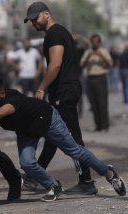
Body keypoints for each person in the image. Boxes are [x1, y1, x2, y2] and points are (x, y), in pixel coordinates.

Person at [0, 75, 126, 201]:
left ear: (2, 93)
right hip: (26, 130)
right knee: (27, 163)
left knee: (75, 151)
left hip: (47, 120)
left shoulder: (12, 100)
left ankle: (109, 174)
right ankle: (53, 186)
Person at [24, 1, 97, 195]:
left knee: (72, 139)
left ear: (46, 14)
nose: (33, 23)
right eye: (31, 21)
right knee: (53, 133)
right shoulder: (60, 32)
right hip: (65, 90)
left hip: (64, 92)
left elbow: (55, 65)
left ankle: (86, 181)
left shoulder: (54, 34)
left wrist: (41, 88)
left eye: (35, 19)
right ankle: (34, 176)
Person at [80, 34, 112, 132]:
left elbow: (110, 64)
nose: (94, 43)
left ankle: (105, 126)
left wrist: (101, 56)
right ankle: (98, 125)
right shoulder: (88, 52)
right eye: (93, 41)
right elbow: (81, 65)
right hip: (90, 78)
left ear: (99, 42)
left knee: (102, 103)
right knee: (93, 103)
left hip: (101, 78)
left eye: (96, 41)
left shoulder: (104, 51)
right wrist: (89, 56)